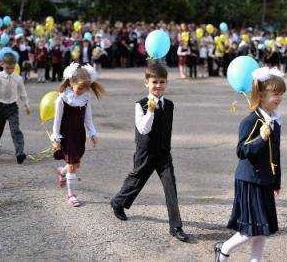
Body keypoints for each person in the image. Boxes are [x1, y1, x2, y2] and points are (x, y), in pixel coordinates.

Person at [111, 62, 189, 242]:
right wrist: (151, 112)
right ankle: (118, 202)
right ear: (147, 82)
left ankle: (176, 227)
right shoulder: (141, 105)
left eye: (162, 82)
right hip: (145, 153)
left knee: (171, 188)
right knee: (136, 181)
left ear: (166, 83)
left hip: (163, 154)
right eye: (155, 82)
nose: (158, 86)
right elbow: (143, 129)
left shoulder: (169, 105)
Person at [214, 67, 286, 262]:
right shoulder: (251, 121)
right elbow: (241, 151)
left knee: (263, 229)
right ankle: (224, 248)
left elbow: (275, 155)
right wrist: (260, 139)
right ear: (261, 95)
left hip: (265, 181)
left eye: (281, 94)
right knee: (251, 229)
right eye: (275, 94)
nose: (279, 98)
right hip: (249, 180)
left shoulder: (274, 122)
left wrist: (276, 181)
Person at [51, 62, 105, 207]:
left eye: (86, 87)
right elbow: (57, 121)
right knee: (72, 166)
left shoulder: (86, 98)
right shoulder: (62, 99)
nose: (83, 90)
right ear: (71, 83)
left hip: (78, 135)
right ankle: (71, 194)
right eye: (80, 87)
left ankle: (62, 172)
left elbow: (88, 118)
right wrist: (56, 138)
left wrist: (92, 133)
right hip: (66, 135)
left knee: (75, 164)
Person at [0, 53, 30, 164]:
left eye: (12, 68)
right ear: (2, 65)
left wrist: (26, 105)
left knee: (15, 130)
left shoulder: (18, 78)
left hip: (12, 107)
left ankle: (20, 153)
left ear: (15, 66)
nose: (10, 70)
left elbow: (22, 92)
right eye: (7, 68)